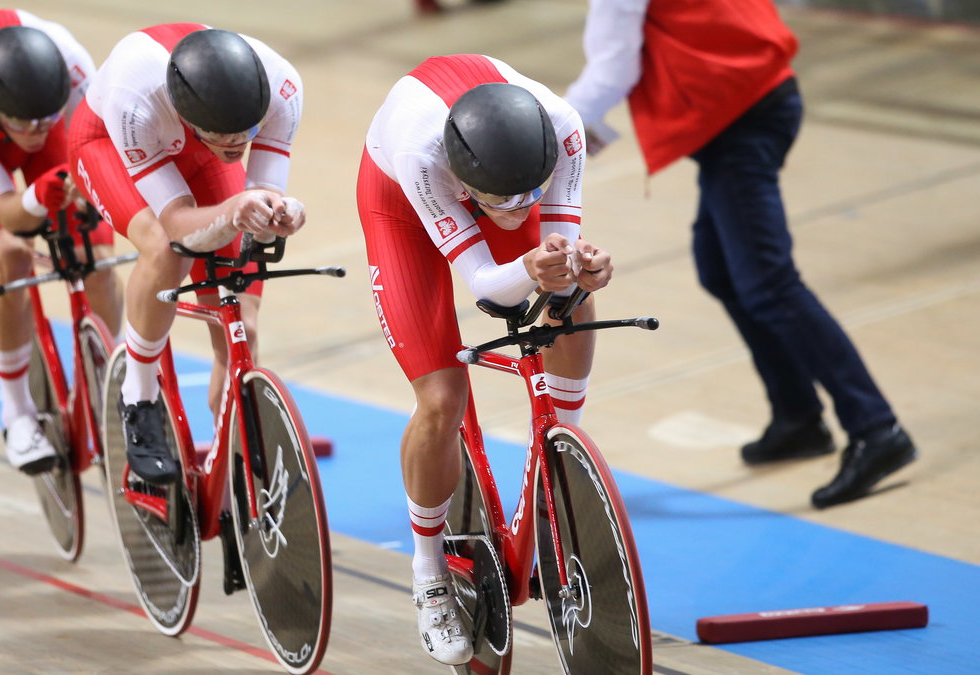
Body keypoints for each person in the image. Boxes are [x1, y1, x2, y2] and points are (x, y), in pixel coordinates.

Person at [562, 0, 917, 509]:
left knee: (768, 283)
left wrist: (558, 129)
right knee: (724, 270)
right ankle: (797, 415)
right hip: (748, 105)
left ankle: (877, 428)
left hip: (741, 119)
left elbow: (615, 65)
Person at [358, 54, 612, 665]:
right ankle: (428, 572)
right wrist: (526, 265)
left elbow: (560, 249)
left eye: (533, 191)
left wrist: (583, 265)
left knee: (570, 291)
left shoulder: (565, 129)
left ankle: (560, 465)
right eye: (504, 200)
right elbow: (483, 284)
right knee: (442, 400)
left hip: (487, 168)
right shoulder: (423, 154)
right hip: (400, 201)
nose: (521, 207)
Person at [68, 24, 306, 485]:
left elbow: (263, 192)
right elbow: (177, 224)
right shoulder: (134, 97)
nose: (239, 143)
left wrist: (280, 211)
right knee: (164, 247)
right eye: (225, 133)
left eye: (249, 132)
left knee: (242, 322)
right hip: (107, 144)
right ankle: (137, 398)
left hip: (199, 153)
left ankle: (231, 452)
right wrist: (234, 209)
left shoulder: (282, 87)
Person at [0, 9, 122, 475]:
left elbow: (97, 164)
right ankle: (16, 414)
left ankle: (104, 391)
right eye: (24, 122)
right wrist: (35, 198)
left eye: (44, 118)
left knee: (97, 258)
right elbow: (9, 212)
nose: (35, 131)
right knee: (10, 253)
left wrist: (82, 193)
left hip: (58, 130)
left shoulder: (75, 70)